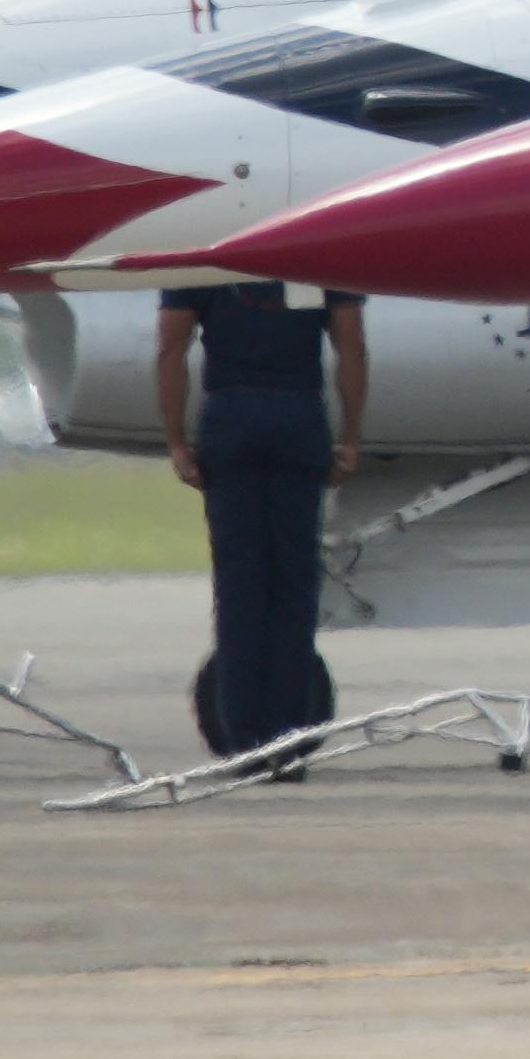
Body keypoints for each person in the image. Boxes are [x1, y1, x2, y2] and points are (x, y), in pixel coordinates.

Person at [153, 278, 369, 767]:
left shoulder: (200, 248)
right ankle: (288, 740)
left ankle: (243, 740)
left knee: (239, 585)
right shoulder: (317, 247)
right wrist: (351, 435)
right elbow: (351, 345)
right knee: (294, 587)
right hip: (298, 411)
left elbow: (170, 348)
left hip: (230, 413)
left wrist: (176, 440)